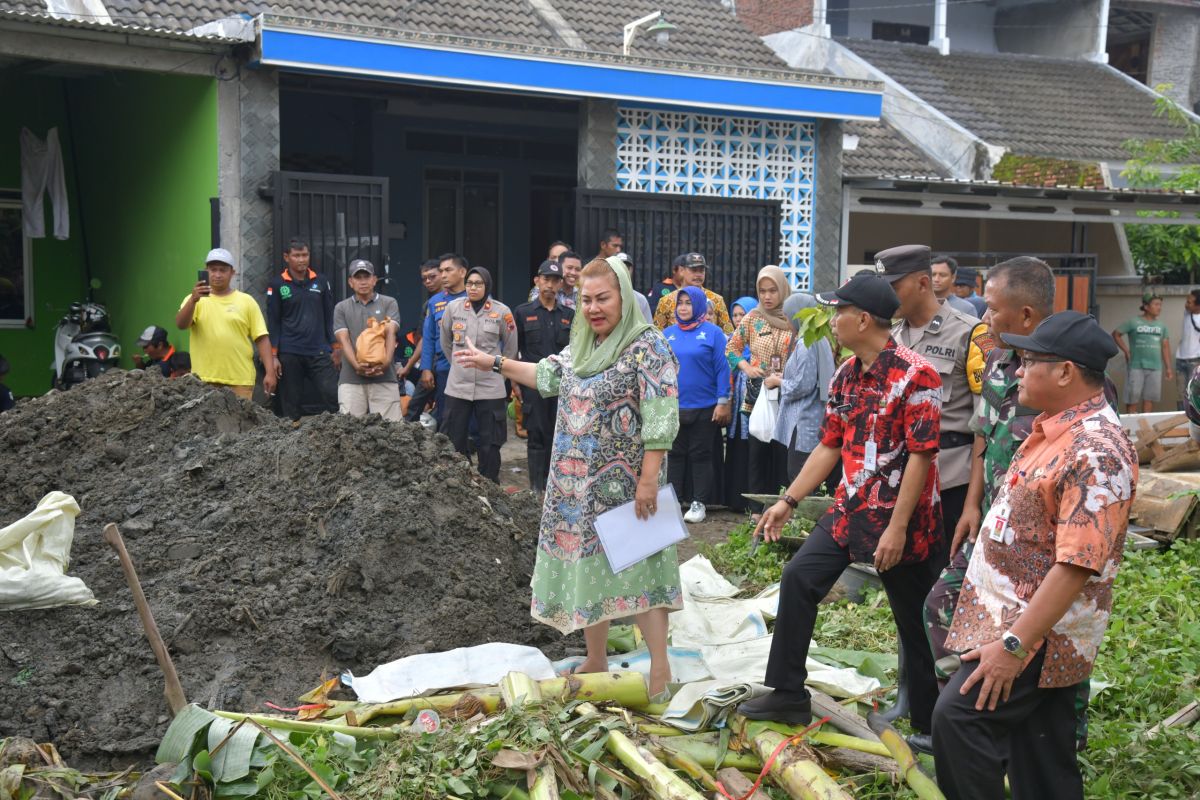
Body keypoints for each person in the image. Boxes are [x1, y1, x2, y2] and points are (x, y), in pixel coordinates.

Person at [451, 256, 681, 700]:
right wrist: (491, 362)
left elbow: (661, 417)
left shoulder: (647, 346)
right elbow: (546, 375)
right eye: (587, 300)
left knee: (645, 576)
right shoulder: (582, 344)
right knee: (589, 573)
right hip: (575, 487)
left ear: (625, 298)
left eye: (604, 299)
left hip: (628, 485)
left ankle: (660, 668)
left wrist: (649, 480)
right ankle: (596, 658)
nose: (594, 308)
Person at [932, 311, 1135, 800]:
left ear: (1065, 372)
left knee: (956, 721)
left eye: (1028, 361)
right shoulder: (1054, 429)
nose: (1016, 371)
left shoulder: (1095, 450)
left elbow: (1076, 565)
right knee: (1041, 756)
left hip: (1036, 637)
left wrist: (1015, 648)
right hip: (1019, 625)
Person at [737, 272, 942, 732]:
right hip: (851, 510)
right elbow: (829, 444)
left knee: (914, 620)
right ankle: (788, 692)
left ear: (863, 319)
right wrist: (789, 500)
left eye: (839, 311)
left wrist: (898, 528)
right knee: (799, 578)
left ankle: (929, 727)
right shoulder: (847, 374)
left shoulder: (917, 376)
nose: (832, 319)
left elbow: (921, 457)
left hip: (900, 520)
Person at [726, 266, 795, 515]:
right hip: (758, 395)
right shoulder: (753, 318)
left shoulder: (793, 316)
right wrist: (746, 367)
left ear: (783, 289)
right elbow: (731, 348)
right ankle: (756, 510)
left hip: (788, 394)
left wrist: (786, 375)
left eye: (773, 290)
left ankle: (781, 508)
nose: (767, 296)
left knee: (783, 453)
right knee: (757, 452)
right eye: (763, 291)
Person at [441, 267, 517, 482]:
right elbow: (446, 343)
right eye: (469, 283)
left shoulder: (502, 312)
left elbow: (510, 349)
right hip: (458, 386)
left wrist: (499, 373)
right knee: (453, 440)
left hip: (490, 387)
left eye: (478, 283)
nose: (473, 287)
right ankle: (458, 485)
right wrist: (457, 365)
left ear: (487, 286)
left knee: (490, 442)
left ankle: (490, 486)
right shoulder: (453, 308)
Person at [663, 285, 731, 523]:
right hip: (673, 406)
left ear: (700, 305)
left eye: (688, 303)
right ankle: (672, 502)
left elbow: (723, 368)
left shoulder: (713, 333)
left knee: (701, 455)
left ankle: (698, 503)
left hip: (705, 406)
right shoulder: (667, 333)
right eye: (680, 303)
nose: (683, 307)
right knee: (675, 454)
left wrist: (723, 401)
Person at [175, 248, 276, 400]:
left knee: (239, 423)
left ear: (232, 273)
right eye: (213, 270)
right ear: (206, 271)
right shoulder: (194, 299)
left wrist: (270, 372)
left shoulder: (246, 301)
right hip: (203, 380)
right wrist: (193, 301)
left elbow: (261, 338)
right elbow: (181, 324)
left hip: (240, 380)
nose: (217, 275)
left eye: (222, 270)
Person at [515, 259, 575, 493]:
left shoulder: (570, 315)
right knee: (535, 434)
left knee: (558, 435)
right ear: (537, 281)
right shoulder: (523, 312)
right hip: (533, 384)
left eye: (555, 280)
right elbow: (514, 350)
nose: (550, 284)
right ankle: (535, 488)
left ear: (561, 284)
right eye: (546, 279)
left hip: (562, 385)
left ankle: (553, 487)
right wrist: (515, 382)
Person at [266, 239, 338, 420]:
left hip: (319, 350)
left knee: (334, 396)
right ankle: (291, 440)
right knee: (291, 405)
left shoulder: (321, 281)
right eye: (296, 256)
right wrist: (273, 356)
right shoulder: (277, 284)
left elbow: (330, 316)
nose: (301, 260)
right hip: (290, 352)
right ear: (286, 257)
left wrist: (336, 347)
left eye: (304, 255)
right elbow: (273, 322)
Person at [773, 294, 837, 489]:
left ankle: (804, 519)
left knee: (800, 477)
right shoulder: (819, 338)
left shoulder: (806, 343)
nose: (787, 323)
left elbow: (803, 385)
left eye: (787, 318)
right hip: (815, 420)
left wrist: (778, 382)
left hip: (805, 422)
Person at [332, 260, 401, 420]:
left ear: (374, 279)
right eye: (358, 277)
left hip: (385, 377)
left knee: (391, 431)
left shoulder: (389, 303)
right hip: (351, 379)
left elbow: (391, 333)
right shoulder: (341, 307)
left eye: (366, 277)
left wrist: (385, 363)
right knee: (349, 432)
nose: (362, 281)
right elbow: (344, 340)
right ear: (350, 282)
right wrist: (357, 366)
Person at [419, 253, 468, 430]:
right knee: (446, 418)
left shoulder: (476, 296)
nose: (443, 275)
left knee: (472, 422)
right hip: (444, 368)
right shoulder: (434, 302)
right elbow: (429, 338)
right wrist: (426, 368)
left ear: (462, 272)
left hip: (472, 368)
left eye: (448, 270)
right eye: (441, 271)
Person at [723, 297, 758, 513]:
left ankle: (750, 500)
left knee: (751, 447)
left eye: (742, 314)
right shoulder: (730, 341)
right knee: (735, 445)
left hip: (753, 402)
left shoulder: (759, 339)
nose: (738, 319)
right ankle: (734, 499)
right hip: (735, 403)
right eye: (735, 315)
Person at [1113, 292, 1172, 413]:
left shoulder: (1162, 326)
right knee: (1132, 399)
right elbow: (1116, 334)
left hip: (1155, 367)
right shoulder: (1133, 322)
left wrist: (1168, 368)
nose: (1159, 307)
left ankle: (1145, 429)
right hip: (1136, 366)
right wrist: (1126, 351)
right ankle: (1131, 429)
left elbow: (1165, 347)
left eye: (1160, 305)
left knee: (1149, 399)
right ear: (1146, 306)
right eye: (1156, 304)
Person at [402, 259, 444, 423]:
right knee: (414, 406)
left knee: (447, 407)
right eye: (424, 278)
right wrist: (409, 366)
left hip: (452, 365)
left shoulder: (461, 301)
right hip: (431, 363)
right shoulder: (429, 304)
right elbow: (425, 339)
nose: (428, 281)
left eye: (432, 276)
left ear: (443, 274)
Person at [653, 253, 734, 333]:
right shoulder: (666, 301)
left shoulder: (716, 300)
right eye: (694, 270)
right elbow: (657, 335)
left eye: (701, 271)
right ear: (681, 271)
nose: (698, 275)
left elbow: (728, 334)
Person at [1174, 288, 1200, 410]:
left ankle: (1192, 418)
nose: (1186, 304)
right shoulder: (1187, 313)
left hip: (1195, 360)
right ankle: (1180, 416)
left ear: (1198, 305)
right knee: (1180, 394)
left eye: (1190, 302)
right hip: (1180, 359)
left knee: (1192, 393)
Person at [613, 252, 655, 322]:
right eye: (618, 267)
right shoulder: (600, 297)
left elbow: (647, 328)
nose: (623, 271)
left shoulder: (640, 300)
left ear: (631, 270)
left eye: (627, 268)